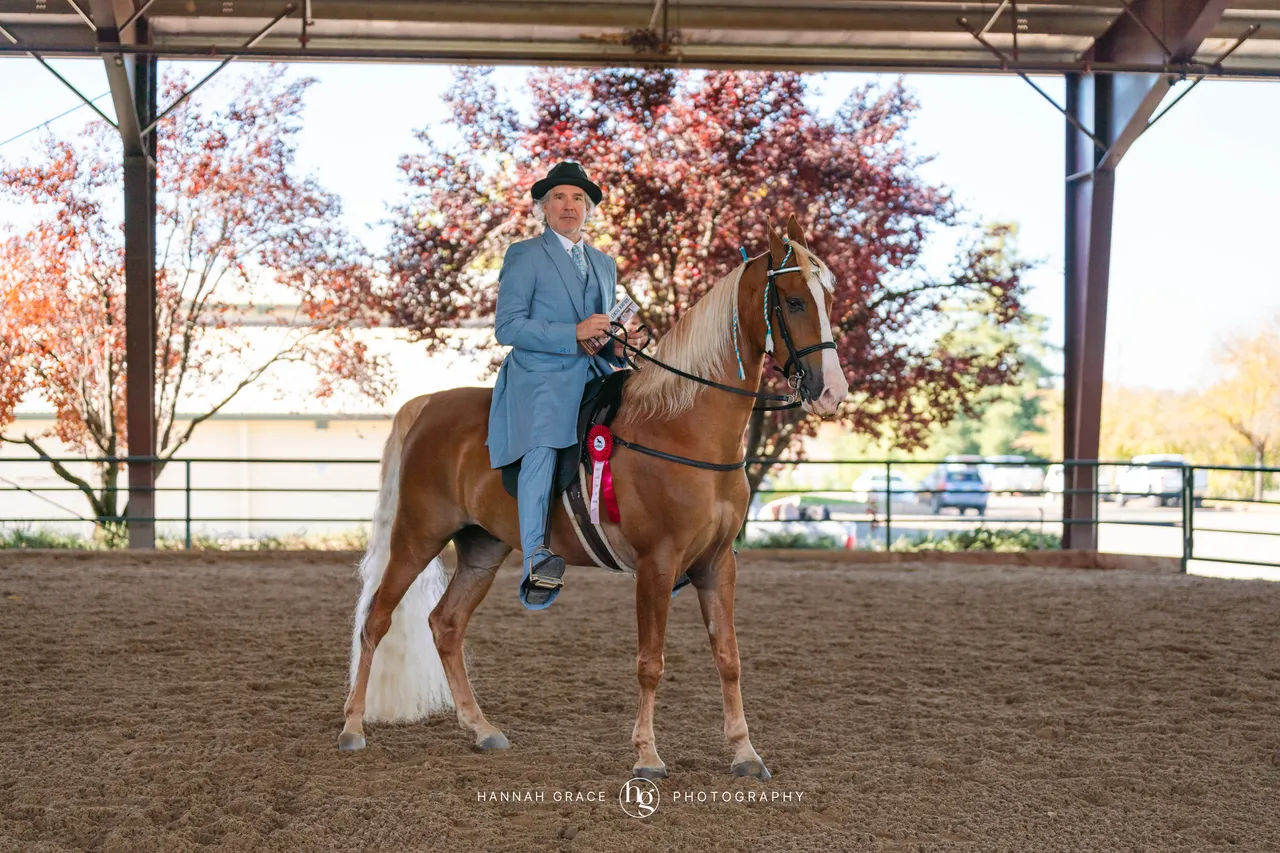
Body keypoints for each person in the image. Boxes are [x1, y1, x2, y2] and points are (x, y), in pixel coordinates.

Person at [486, 162, 638, 610]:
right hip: (539, 375)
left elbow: (603, 331)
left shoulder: (605, 264)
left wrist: (621, 343)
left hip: (596, 374)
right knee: (544, 446)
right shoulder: (525, 255)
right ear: (543, 209)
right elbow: (508, 327)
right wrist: (571, 332)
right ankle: (536, 556)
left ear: (588, 210)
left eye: (577, 199)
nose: (568, 206)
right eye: (558, 198)